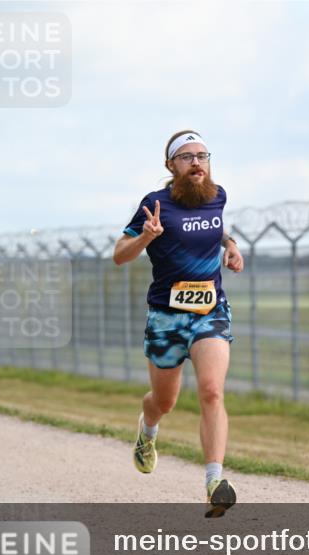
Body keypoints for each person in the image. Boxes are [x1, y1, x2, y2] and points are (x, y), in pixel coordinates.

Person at [113, 129, 244, 518]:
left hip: (210, 311)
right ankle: (147, 430)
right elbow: (120, 255)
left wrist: (231, 246)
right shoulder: (155, 205)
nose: (197, 163)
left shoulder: (217, 195)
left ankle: (214, 482)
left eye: (203, 156)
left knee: (211, 391)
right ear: (171, 165)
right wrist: (145, 238)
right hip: (166, 316)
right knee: (164, 401)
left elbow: (216, 228)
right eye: (187, 157)